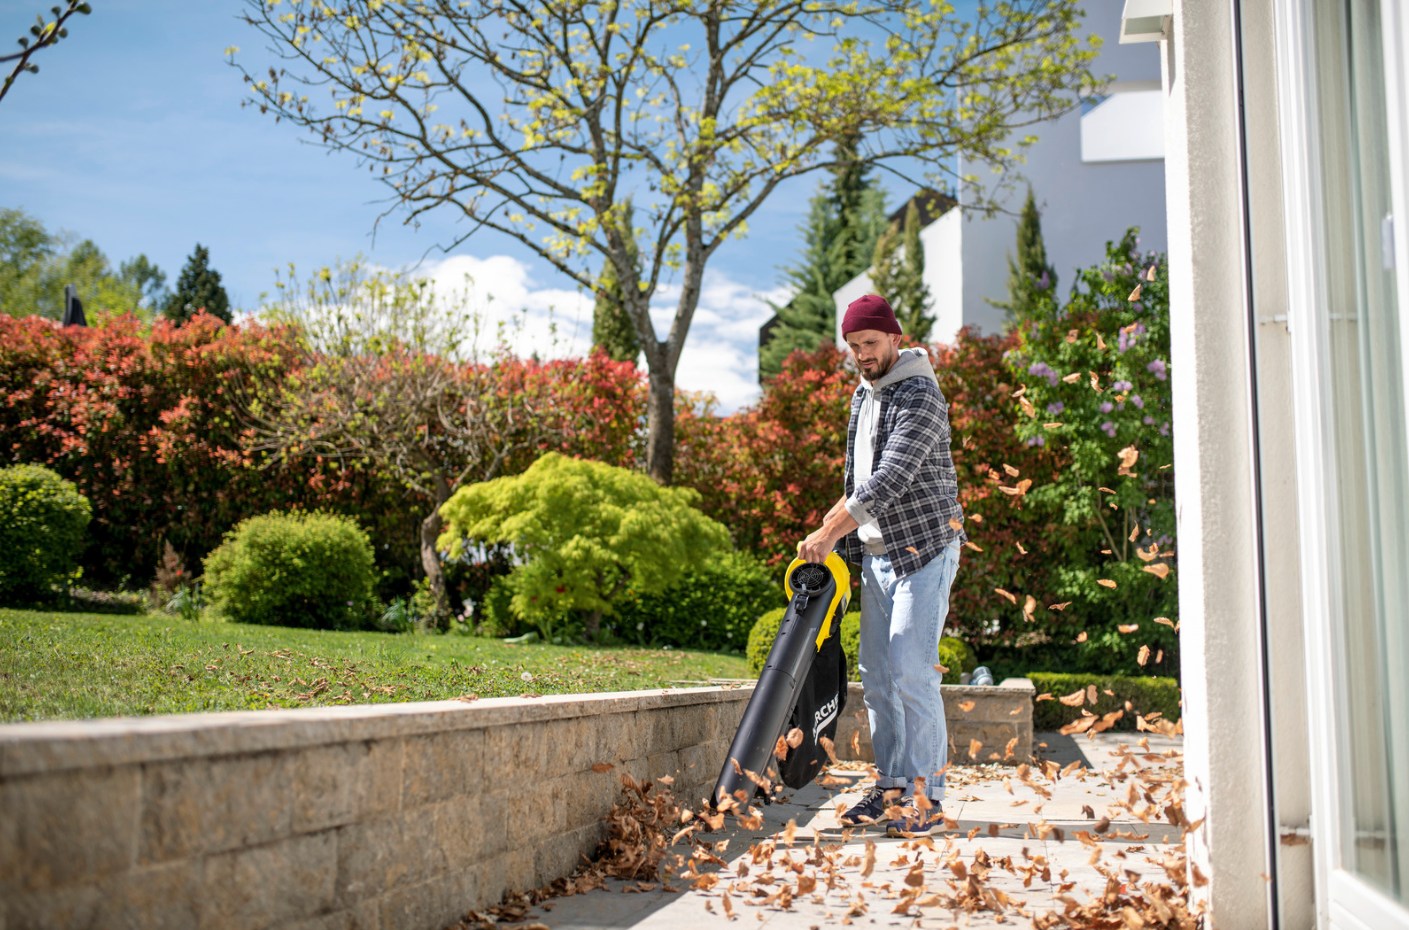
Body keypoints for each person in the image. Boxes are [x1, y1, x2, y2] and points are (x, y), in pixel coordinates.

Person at [796, 293, 964, 837]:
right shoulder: (860, 397)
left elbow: (890, 479)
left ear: (894, 337)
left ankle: (926, 799)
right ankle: (890, 788)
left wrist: (828, 530)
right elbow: (856, 479)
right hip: (875, 556)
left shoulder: (919, 394)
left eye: (869, 342)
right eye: (853, 346)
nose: (862, 354)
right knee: (879, 677)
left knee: (913, 672)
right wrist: (839, 530)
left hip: (924, 549)